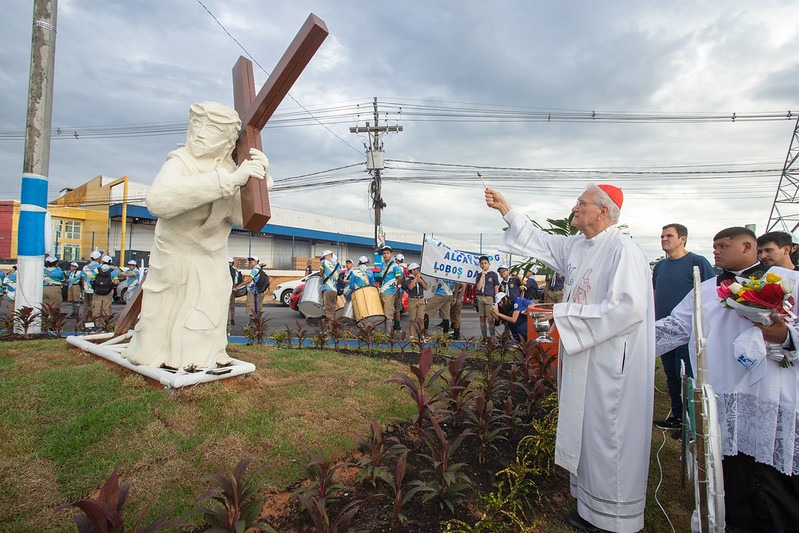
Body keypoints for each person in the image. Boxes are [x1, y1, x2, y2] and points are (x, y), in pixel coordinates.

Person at [486, 183, 655, 533]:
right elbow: (541, 242)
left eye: (581, 203)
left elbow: (628, 307)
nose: (574, 208)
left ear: (603, 211)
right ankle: (590, 507)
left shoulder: (623, 250)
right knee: (586, 432)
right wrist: (507, 210)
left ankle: (617, 518)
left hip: (611, 364)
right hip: (583, 357)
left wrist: (564, 314)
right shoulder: (578, 245)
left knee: (609, 435)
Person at [656, 226, 798, 531]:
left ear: (748, 247)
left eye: (723, 245)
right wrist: (623, 342)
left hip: (771, 398)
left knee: (774, 488)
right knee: (728, 479)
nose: (716, 251)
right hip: (723, 396)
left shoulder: (789, 284)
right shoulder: (705, 289)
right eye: (714, 245)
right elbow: (675, 328)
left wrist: (785, 336)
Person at [125, 101, 271, 369]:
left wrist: (260, 181)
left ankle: (203, 355)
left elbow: (240, 218)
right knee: (165, 309)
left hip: (211, 256)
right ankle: (154, 354)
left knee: (208, 307)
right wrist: (228, 182)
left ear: (229, 140)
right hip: (175, 254)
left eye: (212, 128)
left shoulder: (231, 168)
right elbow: (159, 201)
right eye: (196, 124)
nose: (200, 132)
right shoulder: (181, 161)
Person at [651, 223, 715, 438]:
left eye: (669, 235)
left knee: (688, 376)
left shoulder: (697, 262)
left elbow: (710, 293)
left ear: (683, 239)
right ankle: (677, 416)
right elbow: (654, 293)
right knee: (671, 375)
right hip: (663, 329)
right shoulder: (660, 266)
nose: (664, 239)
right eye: (662, 236)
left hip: (687, 331)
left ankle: (691, 423)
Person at [378, 245, 404, 332]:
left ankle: (388, 335)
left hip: (390, 292)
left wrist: (397, 288)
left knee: (388, 313)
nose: (385, 255)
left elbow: (399, 278)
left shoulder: (395, 266)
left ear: (391, 254)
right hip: (382, 291)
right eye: (384, 253)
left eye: (387, 253)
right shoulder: (382, 265)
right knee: (384, 312)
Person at [474, 255, 500, 339]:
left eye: (485, 263)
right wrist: (482, 276)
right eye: (482, 263)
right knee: (482, 319)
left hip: (489, 298)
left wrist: (497, 300)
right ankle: (484, 338)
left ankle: (492, 338)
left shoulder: (493, 274)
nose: (483, 265)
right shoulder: (479, 275)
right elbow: (478, 287)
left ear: (489, 264)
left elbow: (496, 287)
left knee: (490, 319)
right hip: (480, 298)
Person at [403, 262, 427, 340]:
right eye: (416, 269)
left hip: (420, 299)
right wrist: (416, 278)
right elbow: (410, 287)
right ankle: (412, 336)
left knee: (421, 319)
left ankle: (422, 335)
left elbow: (426, 287)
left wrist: (420, 281)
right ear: (412, 270)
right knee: (412, 319)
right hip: (413, 299)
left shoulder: (421, 278)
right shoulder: (408, 278)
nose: (418, 271)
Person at [319, 250, 341, 322]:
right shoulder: (338, 265)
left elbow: (320, 274)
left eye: (324, 257)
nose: (324, 259)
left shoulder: (324, 262)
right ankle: (335, 329)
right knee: (333, 309)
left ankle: (330, 329)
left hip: (327, 289)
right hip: (334, 290)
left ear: (329, 255)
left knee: (328, 310)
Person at [81, 251, 102, 317]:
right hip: (95, 290)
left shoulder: (85, 267)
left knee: (86, 306)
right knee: (95, 307)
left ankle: (85, 322)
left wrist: (84, 287)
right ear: (98, 258)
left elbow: (82, 278)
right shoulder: (99, 267)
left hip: (86, 289)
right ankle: (94, 322)